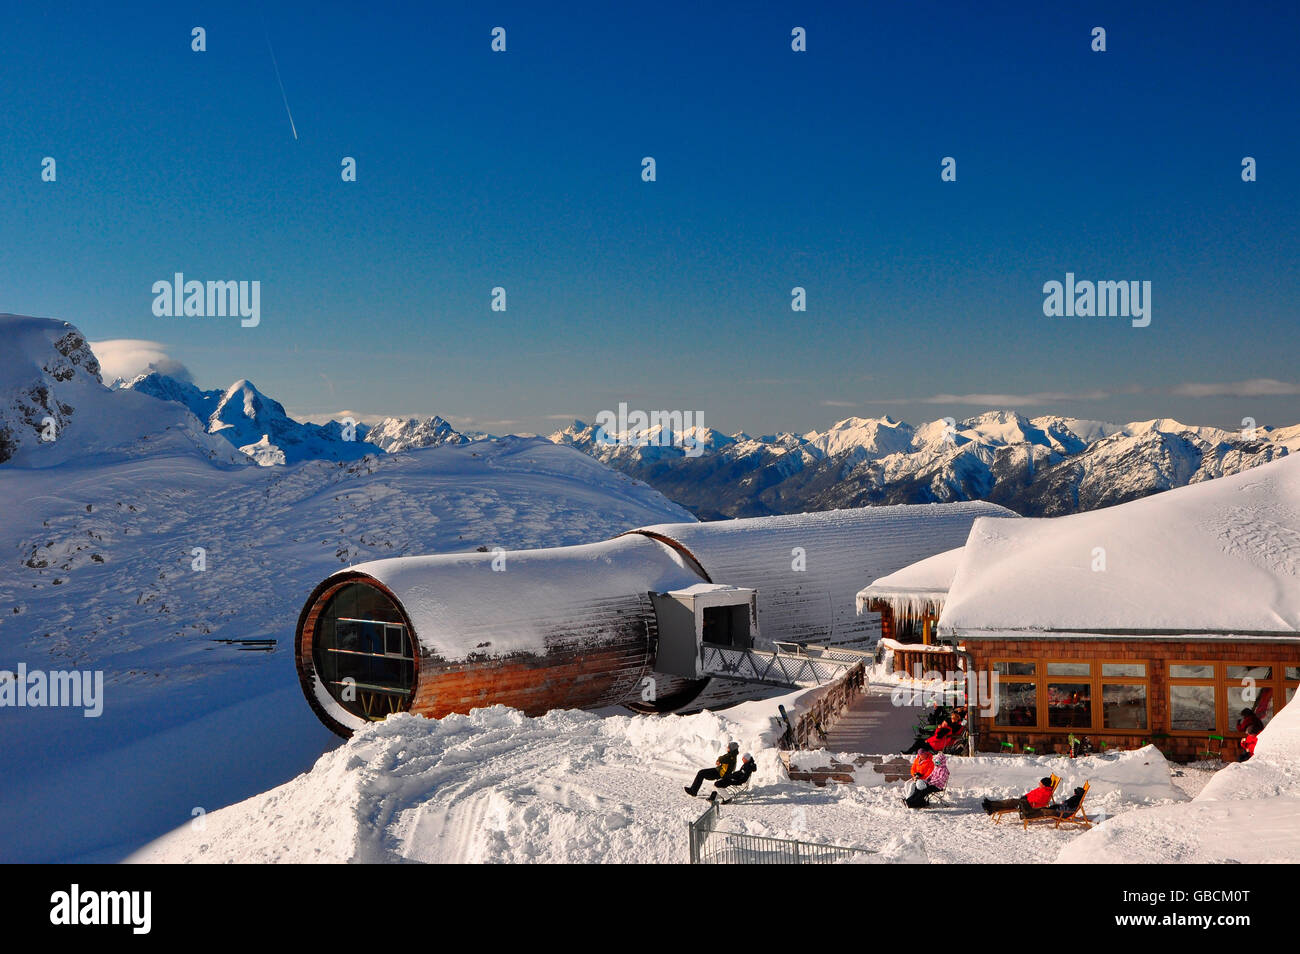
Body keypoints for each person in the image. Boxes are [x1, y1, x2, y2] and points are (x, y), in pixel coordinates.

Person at [981, 776, 1055, 815]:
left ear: (1044, 785)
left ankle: (991, 804)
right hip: (1026, 801)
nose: (1039, 784)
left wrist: (1026, 800)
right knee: (1010, 803)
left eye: (1041, 783)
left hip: (1028, 804)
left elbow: (1039, 801)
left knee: (1011, 801)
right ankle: (991, 808)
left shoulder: (1046, 792)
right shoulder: (1041, 789)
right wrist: (1026, 796)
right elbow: (1032, 793)